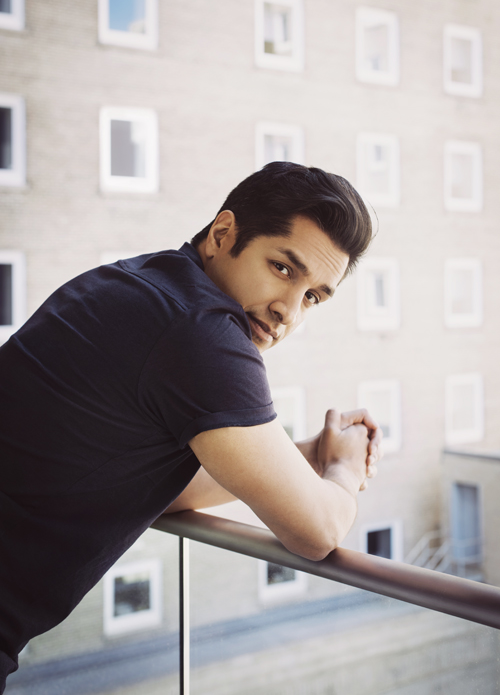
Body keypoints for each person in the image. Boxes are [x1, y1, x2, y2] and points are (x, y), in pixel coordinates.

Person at [0, 161, 382, 690]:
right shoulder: (202, 332)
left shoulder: (142, 282)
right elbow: (316, 532)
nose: (289, 312)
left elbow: (155, 485)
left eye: (313, 296)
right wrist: (343, 471)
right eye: (283, 268)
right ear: (223, 234)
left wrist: (307, 456)